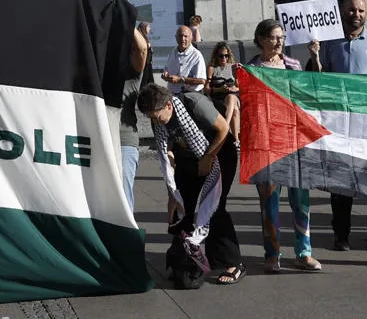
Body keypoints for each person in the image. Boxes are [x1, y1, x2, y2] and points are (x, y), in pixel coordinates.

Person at [308, 0, 367, 251]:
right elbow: (318, 79)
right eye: (351, 10)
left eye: (360, 10)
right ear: (342, 12)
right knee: (341, 182)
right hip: (340, 124)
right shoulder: (328, 42)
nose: (356, 14)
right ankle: (341, 235)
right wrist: (315, 56)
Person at [141, 80, 243, 285]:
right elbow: (166, 147)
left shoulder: (193, 103)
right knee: (183, 206)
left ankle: (233, 263)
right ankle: (185, 260)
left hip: (220, 151)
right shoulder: (159, 118)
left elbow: (223, 129)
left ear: (168, 105)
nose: (157, 121)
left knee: (214, 207)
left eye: (157, 116)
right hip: (188, 157)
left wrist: (208, 157)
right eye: (152, 118)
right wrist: (172, 193)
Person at [248, 20, 321, 273]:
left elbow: (308, 94)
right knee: (269, 201)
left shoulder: (293, 65)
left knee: (301, 200)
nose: (279, 42)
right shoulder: (252, 68)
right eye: (273, 37)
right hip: (266, 142)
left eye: (282, 37)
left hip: (293, 140)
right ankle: (273, 253)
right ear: (261, 39)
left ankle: (304, 252)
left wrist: (315, 58)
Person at [115, 24, 153, 216]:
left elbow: (142, 48)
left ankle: (125, 240)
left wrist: (126, 20)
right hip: (98, 139)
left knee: (122, 195)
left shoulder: (133, 71)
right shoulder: (101, 68)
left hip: (123, 141)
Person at [161, 25, 207, 97]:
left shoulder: (196, 55)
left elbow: (202, 81)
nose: (183, 39)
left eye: (186, 36)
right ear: (176, 37)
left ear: (191, 38)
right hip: (173, 94)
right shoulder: (173, 52)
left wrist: (180, 80)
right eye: (180, 36)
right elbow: (167, 69)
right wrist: (165, 75)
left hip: (191, 96)